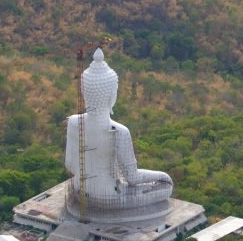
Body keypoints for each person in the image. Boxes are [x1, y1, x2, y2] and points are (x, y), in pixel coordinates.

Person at [65, 49, 172, 216]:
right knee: (167, 187)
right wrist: (162, 175)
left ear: (84, 92)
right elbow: (133, 178)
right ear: (112, 95)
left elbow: (70, 165)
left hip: (80, 191)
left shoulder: (73, 122)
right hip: (110, 197)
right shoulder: (119, 131)